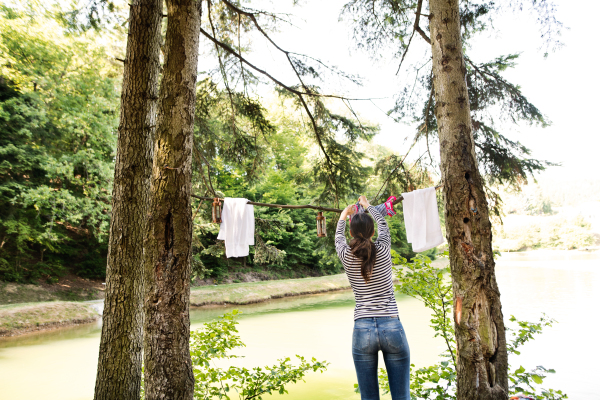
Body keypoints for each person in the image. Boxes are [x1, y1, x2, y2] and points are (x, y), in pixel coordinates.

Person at [335, 195, 410, 400]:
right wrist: (368, 207)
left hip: (362, 329)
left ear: (351, 232)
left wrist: (344, 215)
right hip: (391, 325)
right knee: (402, 397)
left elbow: (338, 238)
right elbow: (383, 226)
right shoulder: (384, 250)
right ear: (373, 232)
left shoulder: (345, 254)